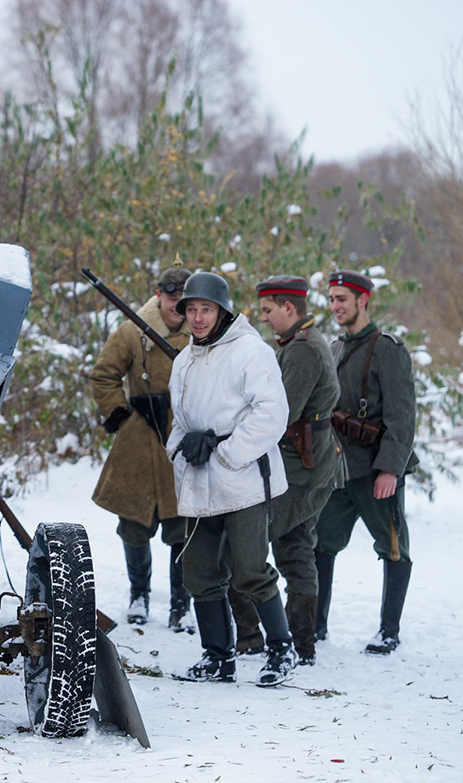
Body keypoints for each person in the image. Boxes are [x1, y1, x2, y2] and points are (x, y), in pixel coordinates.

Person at [166, 271, 297, 686]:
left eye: (206, 309)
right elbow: (180, 422)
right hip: (200, 477)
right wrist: (179, 450)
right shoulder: (184, 359)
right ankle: (218, 657)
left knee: (250, 569)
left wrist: (227, 452)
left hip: (243, 480)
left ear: (222, 311)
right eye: (191, 310)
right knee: (199, 572)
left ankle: (281, 649)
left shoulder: (250, 352)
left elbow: (272, 413)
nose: (198, 318)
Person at [226, 275, 345, 665]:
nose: (263, 318)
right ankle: (300, 645)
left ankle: (252, 639)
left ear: (288, 308)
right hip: (304, 465)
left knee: (245, 549)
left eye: (267, 310)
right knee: (295, 551)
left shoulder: (304, 350)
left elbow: (282, 412)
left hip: (302, 470)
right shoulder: (299, 344)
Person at [315, 269, 419, 655]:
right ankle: (315, 625)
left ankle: (388, 631)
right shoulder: (335, 347)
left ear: (363, 300)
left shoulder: (388, 349)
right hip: (339, 470)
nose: (335, 306)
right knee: (320, 544)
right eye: (331, 299)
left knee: (393, 547)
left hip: (376, 469)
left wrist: (391, 468)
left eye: (342, 299)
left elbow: (402, 416)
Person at [88, 267, 193, 629]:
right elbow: (104, 374)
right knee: (133, 524)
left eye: (184, 296)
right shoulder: (133, 330)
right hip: (139, 439)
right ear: (159, 295)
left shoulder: (203, 332)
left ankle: (182, 603)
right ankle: (139, 595)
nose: (177, 303)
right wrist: (121, 415)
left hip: (184, 437)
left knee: (183, 525)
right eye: (171, 296)